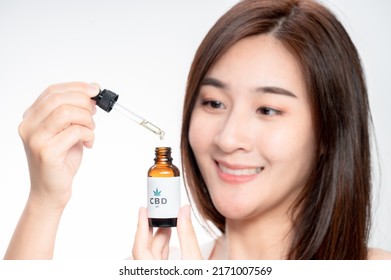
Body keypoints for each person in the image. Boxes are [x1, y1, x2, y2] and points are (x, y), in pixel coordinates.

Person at [4, 0, 391, 260]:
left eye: (268, 109)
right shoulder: (156, 267)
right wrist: (44, 201)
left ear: (328, 132)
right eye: (214, 103)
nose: (228, 138)